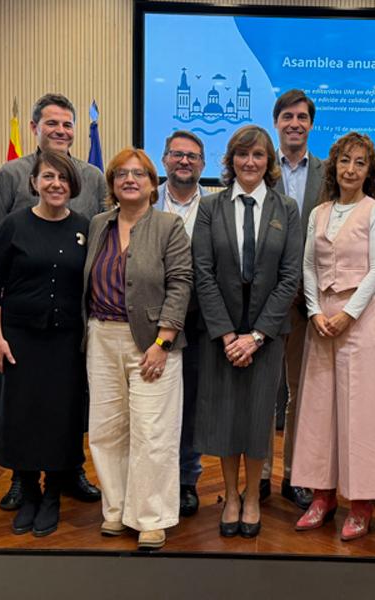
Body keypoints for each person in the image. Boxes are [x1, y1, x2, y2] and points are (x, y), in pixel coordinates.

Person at [0, 93, 104, 510]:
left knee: (68, 402)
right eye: (52, 123)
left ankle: (69, 471)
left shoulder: (95, 177)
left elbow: (105, 242)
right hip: (22, 317)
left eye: (68, 125)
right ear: (35, 128)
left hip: (71, 322)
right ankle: (22, 477)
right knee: (23, 404)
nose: (61, 131)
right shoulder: (10, 174)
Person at [192, 125, 302, 538]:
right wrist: (225, 335)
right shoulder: (210, 207)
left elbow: (289, 277)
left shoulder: (286, 208)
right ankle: (231, 495)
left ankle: (253, 496)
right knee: (224, 416)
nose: (250, 162)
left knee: (257, 417)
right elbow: (202, 273)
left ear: (268, 161)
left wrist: (256, 336)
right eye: (242, 155)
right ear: (231, 160)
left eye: (258, 155)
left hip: (266, 335)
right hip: (220, 334)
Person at [83, 147, 192, 550]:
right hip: (101, 336)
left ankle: (150, 517)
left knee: (152, 432)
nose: (130, 180)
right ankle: (115, 510)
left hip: (152, 342)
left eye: (139, 174)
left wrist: (163, 341)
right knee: (107, 430)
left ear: (152, 183)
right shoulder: (98, 224)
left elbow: (181, 283)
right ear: (112, 184)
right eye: (122, 174)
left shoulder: (169, 226)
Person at [291, 132, 375, 541]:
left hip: (359, 318)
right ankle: (322, 496)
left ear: (370, 171)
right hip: (321, 321)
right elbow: (308, 268)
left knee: (360, 413)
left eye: (360, 163)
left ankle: (361, 504)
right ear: (333, 166)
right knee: (318, 411)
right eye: (344, 161)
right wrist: (315, 311)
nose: (350, 169)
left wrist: (348, 315)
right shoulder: (318, 213)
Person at [262, 89, 326, 509]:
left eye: (302, 117)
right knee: (265, 390)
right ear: (277, 122)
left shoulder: (327, 172)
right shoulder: (259, 167)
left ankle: (295, 476)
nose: (295, 124)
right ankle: (262, 475)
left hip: (310, 300)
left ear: (310, 123)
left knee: (301, 392)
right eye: (287, 116)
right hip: (265, 299)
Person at [154, 130, 208, 518]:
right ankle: (153, 480)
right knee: (151, 404)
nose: (184, 161)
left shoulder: (217, 206)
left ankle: (187, 479)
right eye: (177, 154)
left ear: (203, 165)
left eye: (191, 156)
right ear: (164, 159)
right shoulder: (144, 200)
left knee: (190, 403)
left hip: (200, 321)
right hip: (150, 320)